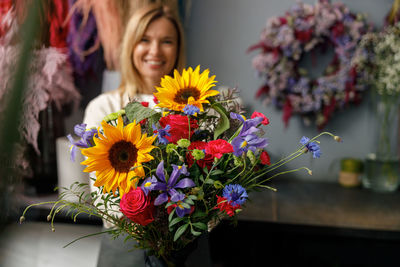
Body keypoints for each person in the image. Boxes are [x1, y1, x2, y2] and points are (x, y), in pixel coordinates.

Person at [81, 4, 194, 267]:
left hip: (187, 245)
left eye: (166, 41)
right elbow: (101, 192)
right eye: (145, 39)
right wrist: (154, 228)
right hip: (125, 245)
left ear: (178, 49)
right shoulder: (104, 108)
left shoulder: (195, 109)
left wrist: (195, 221)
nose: (155, 51)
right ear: (131, 45)